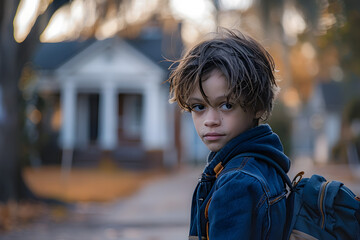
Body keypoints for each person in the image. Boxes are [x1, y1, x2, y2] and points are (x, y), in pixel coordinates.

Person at [167, 28, 291, 240]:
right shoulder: (266, 161)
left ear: (258, 107)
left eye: (226, 105)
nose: (210, 120)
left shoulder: (237, 183)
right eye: (198, 107)